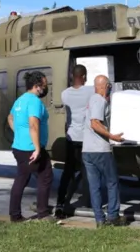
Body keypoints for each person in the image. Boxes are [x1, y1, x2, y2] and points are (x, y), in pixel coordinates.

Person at [7, 70, 54, 223]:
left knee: (22, 178)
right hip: (31, 149)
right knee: (45, 176)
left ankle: (15, 215)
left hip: (19, 147)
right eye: (44, 85)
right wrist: (37, 148)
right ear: (37, 86)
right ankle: (43, 214)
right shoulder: (34, 101)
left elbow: (10, 117)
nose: (45, 88)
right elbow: (34, 125)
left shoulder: (19, 100)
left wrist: (19, 133)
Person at [82, 75, 126, 228]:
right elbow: (95, 123)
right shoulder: (99, 101)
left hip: (87, 150)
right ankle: (113, 216)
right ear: (106, 86)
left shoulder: (91, 99)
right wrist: (112, 136)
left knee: (94, 187)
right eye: (109, 86)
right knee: (112, 182)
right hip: (100, 149)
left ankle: (99, 220)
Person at [55, 64, 94, 217]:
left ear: (72, 76)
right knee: (87, 173)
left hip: (71, 137)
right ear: (84, 76)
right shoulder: (91, 91)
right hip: (86, 138)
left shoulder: (65, 94)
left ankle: (60, 202)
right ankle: (89, 203)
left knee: (68, 172)